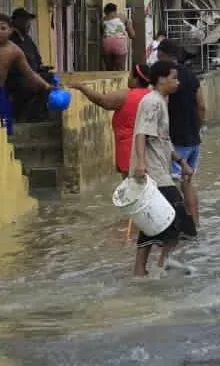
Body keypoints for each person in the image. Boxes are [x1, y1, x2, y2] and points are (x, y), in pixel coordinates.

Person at [128, 60, 198, 278]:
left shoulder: (161, 101)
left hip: (161, 170)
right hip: (153, 174)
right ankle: (159, 264)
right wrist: (141, 164)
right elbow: (141, 134)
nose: (177, 82)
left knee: (153, 221)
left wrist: (181, 161)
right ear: (160, 79)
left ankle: (149, 268)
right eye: (174, 78)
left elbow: (164, 140)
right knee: (180, 222)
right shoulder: (152, 102)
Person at [70, 63, 153, 176]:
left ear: (136, 79)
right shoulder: (151, 95)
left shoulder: (127, 96)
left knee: (132, 186)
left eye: (130, 76)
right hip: (149, 150)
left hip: (130, 150)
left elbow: (102, 100)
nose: (128, 79)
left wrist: (81, 87)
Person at [156, 39, 206, 224]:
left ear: (166, 56)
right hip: (193, 140)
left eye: (159, 56)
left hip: (176, 142)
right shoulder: (192, 76)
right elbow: (201, 106)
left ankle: (179, 225)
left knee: (173, 185)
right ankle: (195, 223)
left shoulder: (166, 81)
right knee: (188, 183)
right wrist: (197, 129)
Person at [0, 14, 51, 137]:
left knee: (5, 127)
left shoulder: (15, 51)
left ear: (10, 30)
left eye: (3, 28)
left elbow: (29, 73)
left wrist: (46, 86)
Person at [8, 7, 52, 123]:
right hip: (17, 78)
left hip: (32, 75)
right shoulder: (11, 40)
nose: (28, 25)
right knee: (39, 85)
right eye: (25, 21)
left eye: (28, 22)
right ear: (16, 22)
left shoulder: (28, 40)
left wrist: (42, 68)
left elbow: (37, 59)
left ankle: (39, 115)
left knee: (50, 80)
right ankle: (28, 116)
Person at [101, 3, 135, 72]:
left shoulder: (103, 19)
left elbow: (102, 33)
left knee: (109, 69)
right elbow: (132, 34)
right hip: (119, 43)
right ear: (115, 10)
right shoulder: (123, 17)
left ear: (106, 11)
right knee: (120, 69)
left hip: (107, 43)